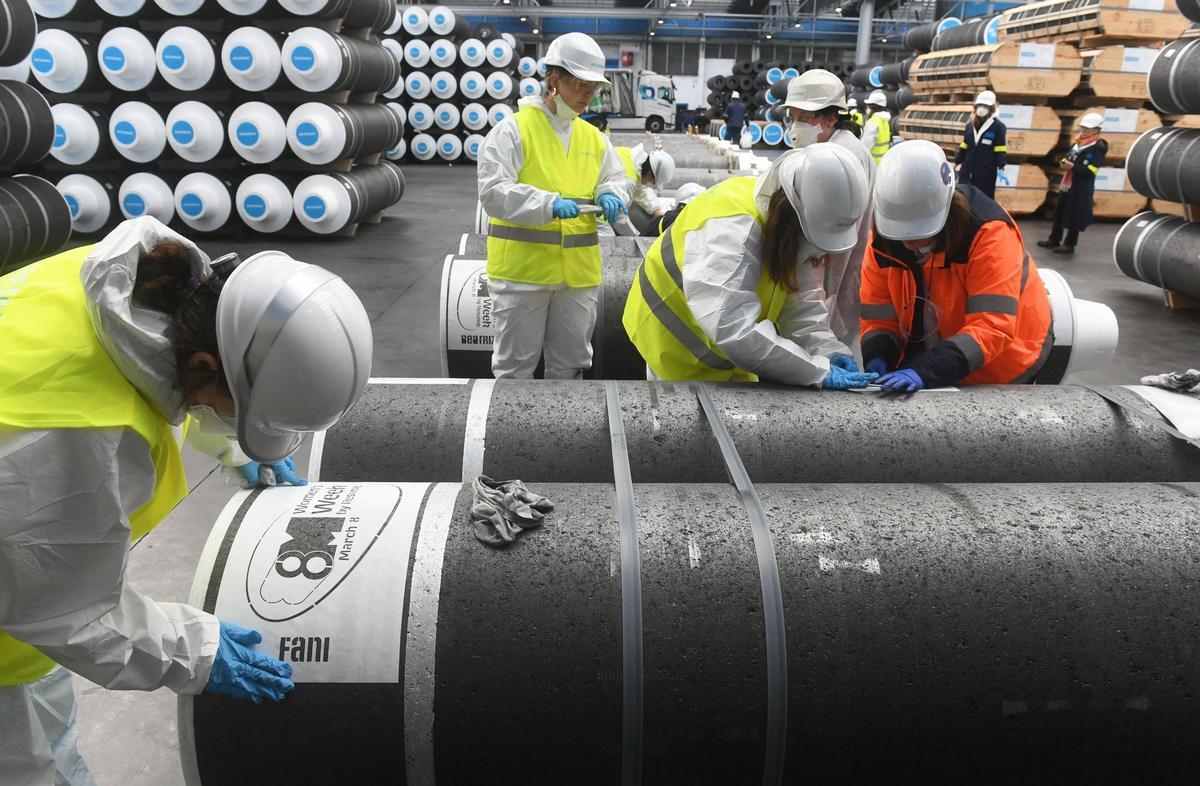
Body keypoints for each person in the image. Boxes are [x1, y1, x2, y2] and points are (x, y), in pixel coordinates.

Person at [0, 217, 373, 785]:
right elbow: (63, 608)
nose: (224, 419)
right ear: (204, 367)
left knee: (52, 735)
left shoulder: (130, 289)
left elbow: (158, 377)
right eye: (233, 410)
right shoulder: (74, 434)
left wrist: (230, 446)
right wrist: (193, 652)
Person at [622, 144, 877, 389]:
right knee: (682, 425)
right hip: (673, 347)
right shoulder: (731, 229)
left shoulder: (788, 225)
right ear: (793, 213)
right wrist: (815, 370)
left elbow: (799, 302)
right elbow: (731, 326)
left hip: (730, 350)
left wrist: (827, 351)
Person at [478, 31, 630, 380]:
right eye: (580, 85)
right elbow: (492, 192)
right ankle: (512, 434)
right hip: (522, 275)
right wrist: (547, 204)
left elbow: (617, 179)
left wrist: (613, 194)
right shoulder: (512, 131)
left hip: (577, 277)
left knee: (571, 365)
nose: (588, 96)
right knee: (515, 369)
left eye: (594, 88)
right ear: (553, 79)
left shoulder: (594, 138)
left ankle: (563, 435)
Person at [860, 140, 1053, 393]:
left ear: (946, 207)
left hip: (1000, 364)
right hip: (934, 351)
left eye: (920, 231)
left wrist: (927, 370)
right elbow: (877, 319)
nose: (908, 242)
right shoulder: (882, 242)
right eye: (900, 232)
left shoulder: (988, 234)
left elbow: (993, 325)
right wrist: (877, 356)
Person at [1037, 112, 1107, 256]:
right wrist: (1064, 163)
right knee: (1060, 212)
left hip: (1081, 187)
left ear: (1096, 130)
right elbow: (1070, 158)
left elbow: (1091, 170)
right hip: (1068, 185)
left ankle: (1069, 244)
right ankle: (1054, 239)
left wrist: (1073, 167)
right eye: (1082, 128)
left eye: (1087, 129)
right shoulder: (1078, 143)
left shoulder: (1097, 148)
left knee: (1075, 215)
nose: (1083, 131)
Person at [954, 90, 1008, 200]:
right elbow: (965, 145)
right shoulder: (970, 126)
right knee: (964, 198)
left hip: (986, 171)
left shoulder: (998, 127)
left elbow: (1000, 149)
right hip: (967, 169)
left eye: (985, 106)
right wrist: (957, 161)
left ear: (991, 108)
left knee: (983, 200)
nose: (981, 108)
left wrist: (1001, 167)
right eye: (979, 105)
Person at [614, 143, 676, 227]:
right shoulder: (628, 181)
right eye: (652, 182)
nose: (649, 183)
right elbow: (619, 218)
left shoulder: (632, 159)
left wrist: (655, 210)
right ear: (649, 174)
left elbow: (642, 189)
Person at [860, 90, 892, 165]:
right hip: (883, 162)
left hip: (873, 164)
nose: (868, 108)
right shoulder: (885, 120)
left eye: (869, 105)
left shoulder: (873, 122)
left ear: (873, 107)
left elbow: (865, 145)